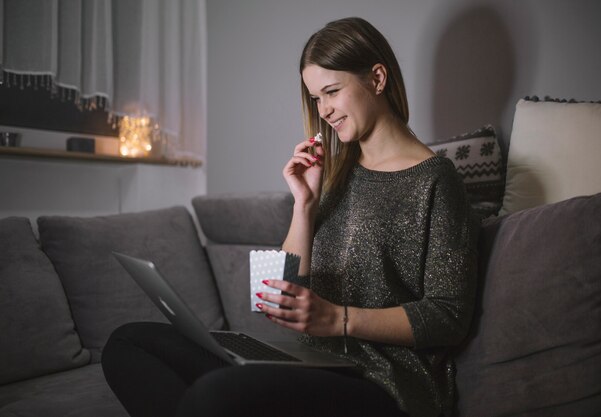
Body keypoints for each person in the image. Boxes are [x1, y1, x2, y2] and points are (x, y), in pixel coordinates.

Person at [102, 16, 477, 417]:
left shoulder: (435, 180)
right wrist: (305, 205)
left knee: (214, 395)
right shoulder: (336, 172)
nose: (325, 110)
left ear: (377, 78)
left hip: (385, 384)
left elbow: (448, 316)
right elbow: (280, 294)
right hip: (313, 362)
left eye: (332, 91)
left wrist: (339, 319)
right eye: (316, 97)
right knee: (128, 342)